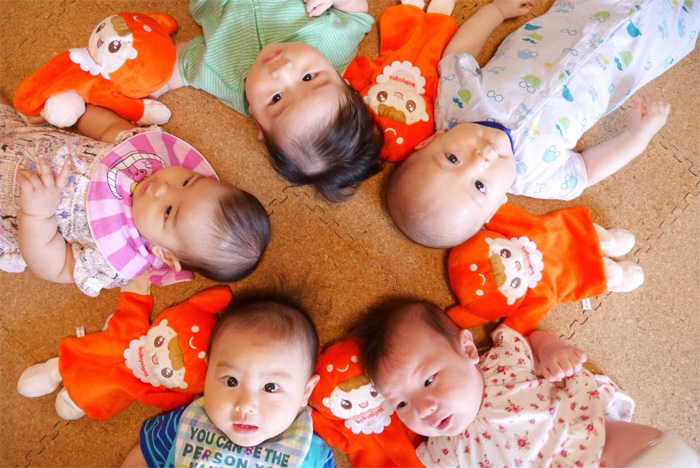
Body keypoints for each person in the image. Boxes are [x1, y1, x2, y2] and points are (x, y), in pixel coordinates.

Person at [387, 0, 699, 248]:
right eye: (480, 186)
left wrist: (497, 11)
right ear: (496, 205)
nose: (480, 159)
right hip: (648, 45)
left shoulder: (457, 104)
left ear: (430, 141)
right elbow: (585, 171)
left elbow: (458, 53)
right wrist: (637, 137)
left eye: (452, 158)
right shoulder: (536, 176)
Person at [351, 299, 700, 467]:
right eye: (400, 403)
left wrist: (551, 350)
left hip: (588, 434)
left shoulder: (501, 364)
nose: (423, 409)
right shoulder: (442, 453)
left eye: (428, 380)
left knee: (649, 449)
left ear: (468, 349)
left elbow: (532, 339)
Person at [0, 96, 270, 296]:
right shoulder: (149, 159)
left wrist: (37, 214)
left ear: (164, 253)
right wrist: (77, 110)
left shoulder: (115, 258)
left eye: (168, 211)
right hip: (21, 135)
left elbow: (54, 266)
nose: (162, 188)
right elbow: (108, 128)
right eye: (187, 181)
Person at [154, 0, 383, 201]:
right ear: (340, 78)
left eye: (276, 98)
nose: (281, 70)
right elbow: (358, 14)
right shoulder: (333, 44)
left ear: (257, 121)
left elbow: (175, 66)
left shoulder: (223, 78)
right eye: (308, 77)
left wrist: (147, 93)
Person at [121, 295, 334, 468]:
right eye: (231, 381)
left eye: (270, 387)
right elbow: (143, 457)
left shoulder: (313, 455)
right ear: (208, 372)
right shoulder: (185, 424)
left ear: (305, 392)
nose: (245, 404)